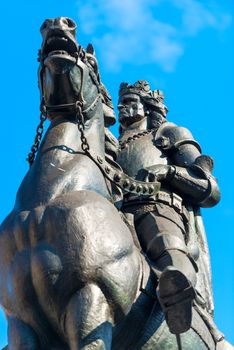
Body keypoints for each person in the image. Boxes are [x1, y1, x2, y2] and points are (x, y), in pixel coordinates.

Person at [117, 80, 221, 335]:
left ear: (147, 106)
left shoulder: (168, 133)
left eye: (130, 102)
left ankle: (176, 291)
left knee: (164, 241)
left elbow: (210, 190)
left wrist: (170, 172)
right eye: (120, 103)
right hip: (115, 215)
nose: (121, 107)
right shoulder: (109, 145)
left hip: (158, 210)